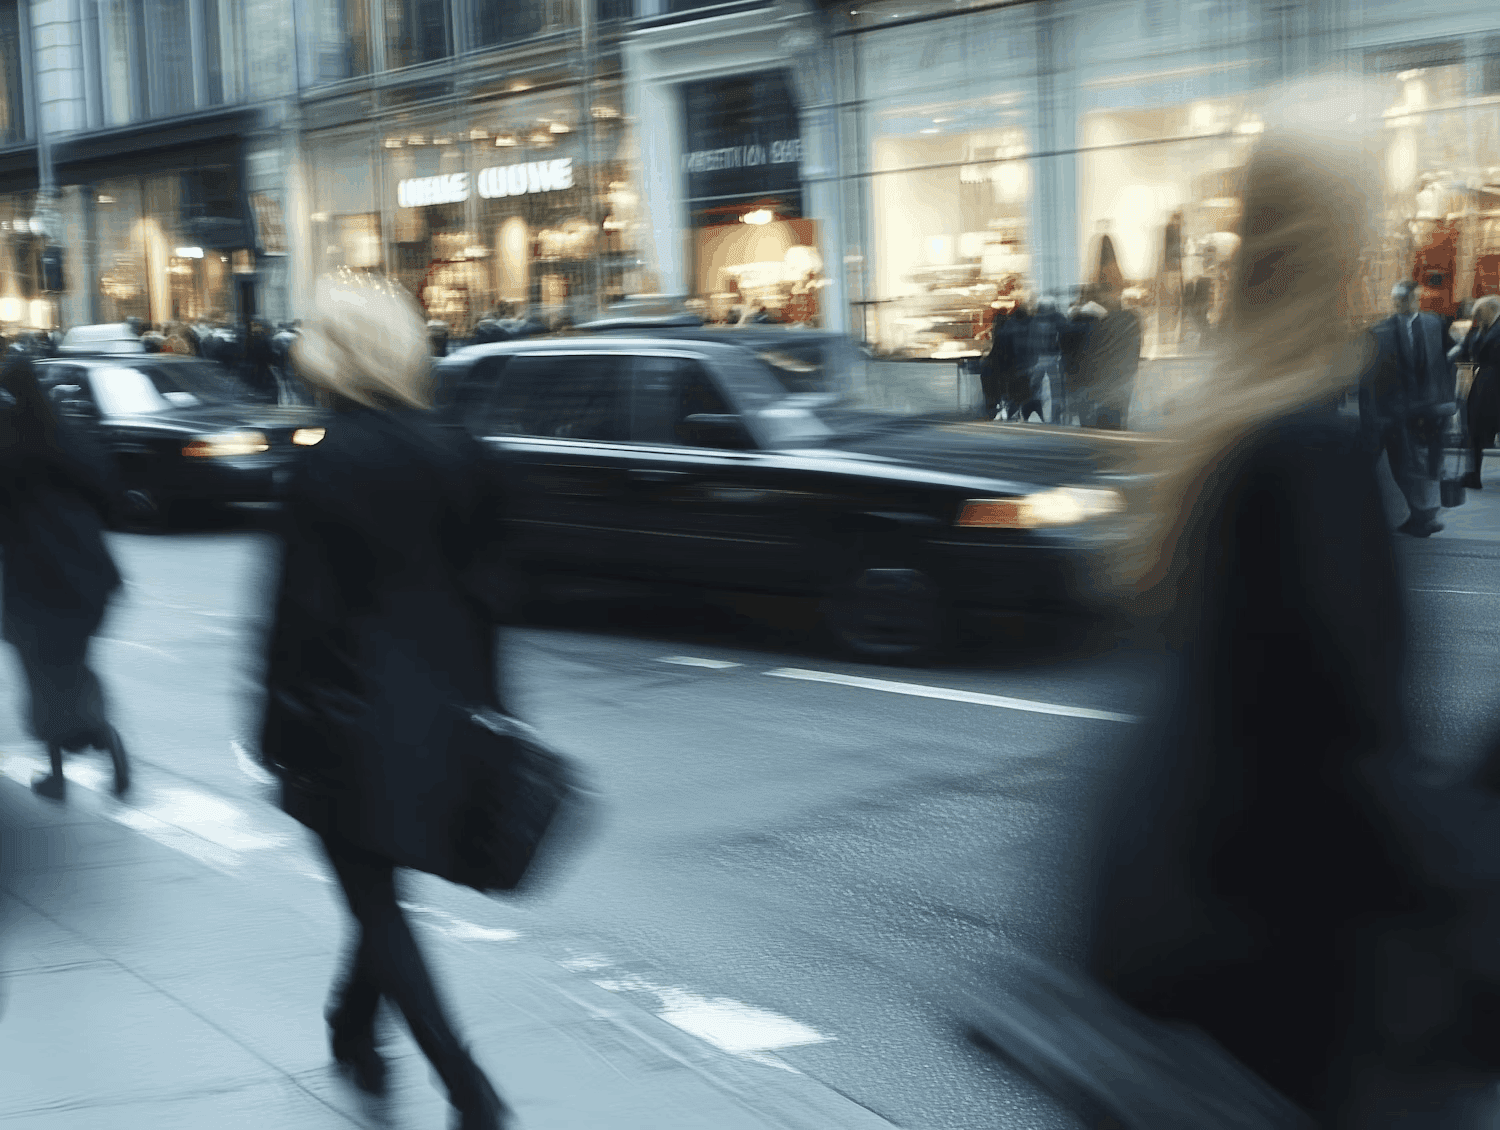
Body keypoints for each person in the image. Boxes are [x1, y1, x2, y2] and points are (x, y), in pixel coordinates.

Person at [975, 88, 1471, 1126]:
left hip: (1190, 979)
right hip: (1288, 1004)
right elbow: (1353, 760)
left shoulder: (1209, 437)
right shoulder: (1309, 454)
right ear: (1348, 241)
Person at [257, 271, 511, 1129]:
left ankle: (467, 1087)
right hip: (446, 708)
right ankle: (352, 1024)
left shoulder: (324, 464)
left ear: (331, 350)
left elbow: (297, 618)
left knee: (374, 898)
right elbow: (488, 599)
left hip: (348, 716)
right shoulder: (462, 450)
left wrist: (269, 729)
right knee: (380, 888)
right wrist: (493, 711)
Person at [0, 357, 131, 801]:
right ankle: (102, 735)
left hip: (33, 578)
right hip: (89, 574)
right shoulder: (69, 433)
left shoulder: (10, 443)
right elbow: (109, 491)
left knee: (40, 672)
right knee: (73, 663)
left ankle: (63, 763)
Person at [1359, 279, 1459, 537]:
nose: (1406, 303)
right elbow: (1368, 378)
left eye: (1411, 298)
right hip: (1396, 411)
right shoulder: (1379, 331)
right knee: (1404, 464)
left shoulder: (1433, 323)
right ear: (1396, 301)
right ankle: (1420, 517)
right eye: (1401, 299)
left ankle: (1423, 516)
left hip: (1431, 409)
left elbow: (1448, 361)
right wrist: (1371, 416)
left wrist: (1448, 398)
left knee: (1429, 463)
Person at [1456, 295, 1500, 490]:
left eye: (1479, 313)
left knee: (1478, 427)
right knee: (1475, 429)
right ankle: (1473, 476)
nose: (1476, 317)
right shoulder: (1483, 327)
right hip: (1484, 382)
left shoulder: (1494, 327)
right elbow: (1468, 351)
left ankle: (1473, 475)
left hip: (1492, 381)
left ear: (1489, 310)